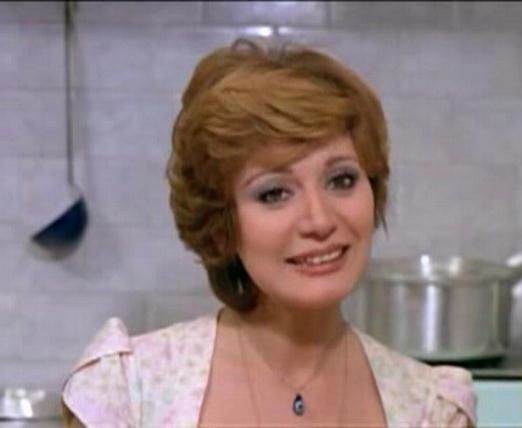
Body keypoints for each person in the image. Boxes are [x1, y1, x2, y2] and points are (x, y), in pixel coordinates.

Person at [61, 37, 476, 427]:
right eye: (274, 193)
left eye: (342, 180)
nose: (319, 220)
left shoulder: (429, 409)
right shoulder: (132, 390)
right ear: (221, 220)